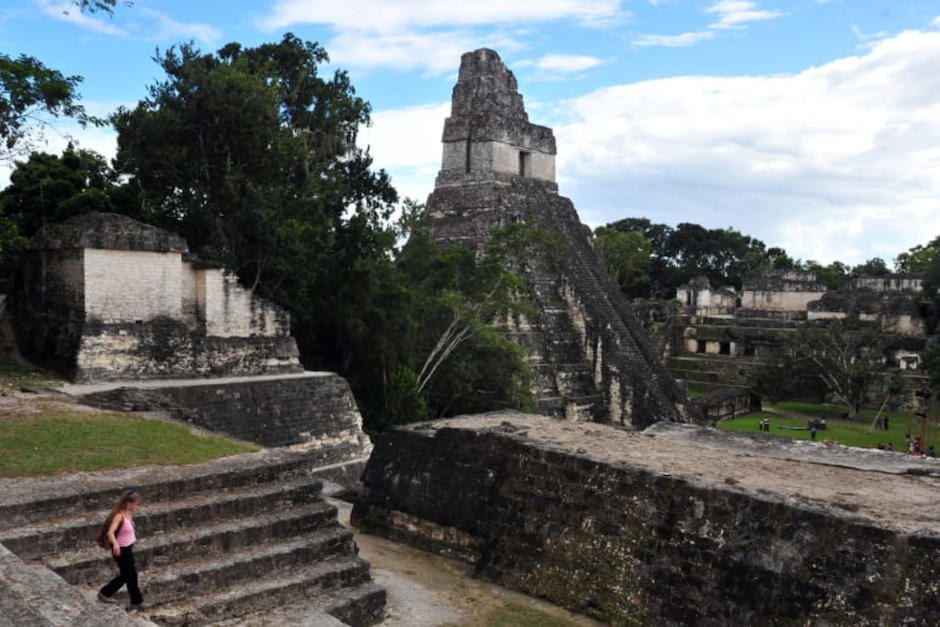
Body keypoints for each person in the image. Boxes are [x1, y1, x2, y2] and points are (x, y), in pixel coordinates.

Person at [98, 489, 147, 610]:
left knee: (132, 575)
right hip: (121, 550)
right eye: (135, 504)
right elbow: (110, 532)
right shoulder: (119, 516)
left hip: (128, 548)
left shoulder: (127, 514)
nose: (136, 506)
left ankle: (136, 601)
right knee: (127, 576)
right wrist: (115, 544)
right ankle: (105, 593)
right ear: (128, 503)